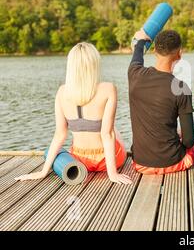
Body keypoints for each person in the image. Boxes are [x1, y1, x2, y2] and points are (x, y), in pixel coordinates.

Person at [16, 42, 131, 184]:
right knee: (113, 129)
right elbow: (107, 134)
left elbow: (60, 135)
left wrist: (43, 171)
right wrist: (112, 174)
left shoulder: (62, 92)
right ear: (94, 64)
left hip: (79, 161)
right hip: (104, 162)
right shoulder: (108, 89)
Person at [129, 29, 194, 175]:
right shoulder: (181, 88)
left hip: (140, 164)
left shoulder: (135, 74)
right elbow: (189, 141)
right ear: (179, 54)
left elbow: (137, 56)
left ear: (154, 50)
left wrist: (141, 41)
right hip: (172, 163)